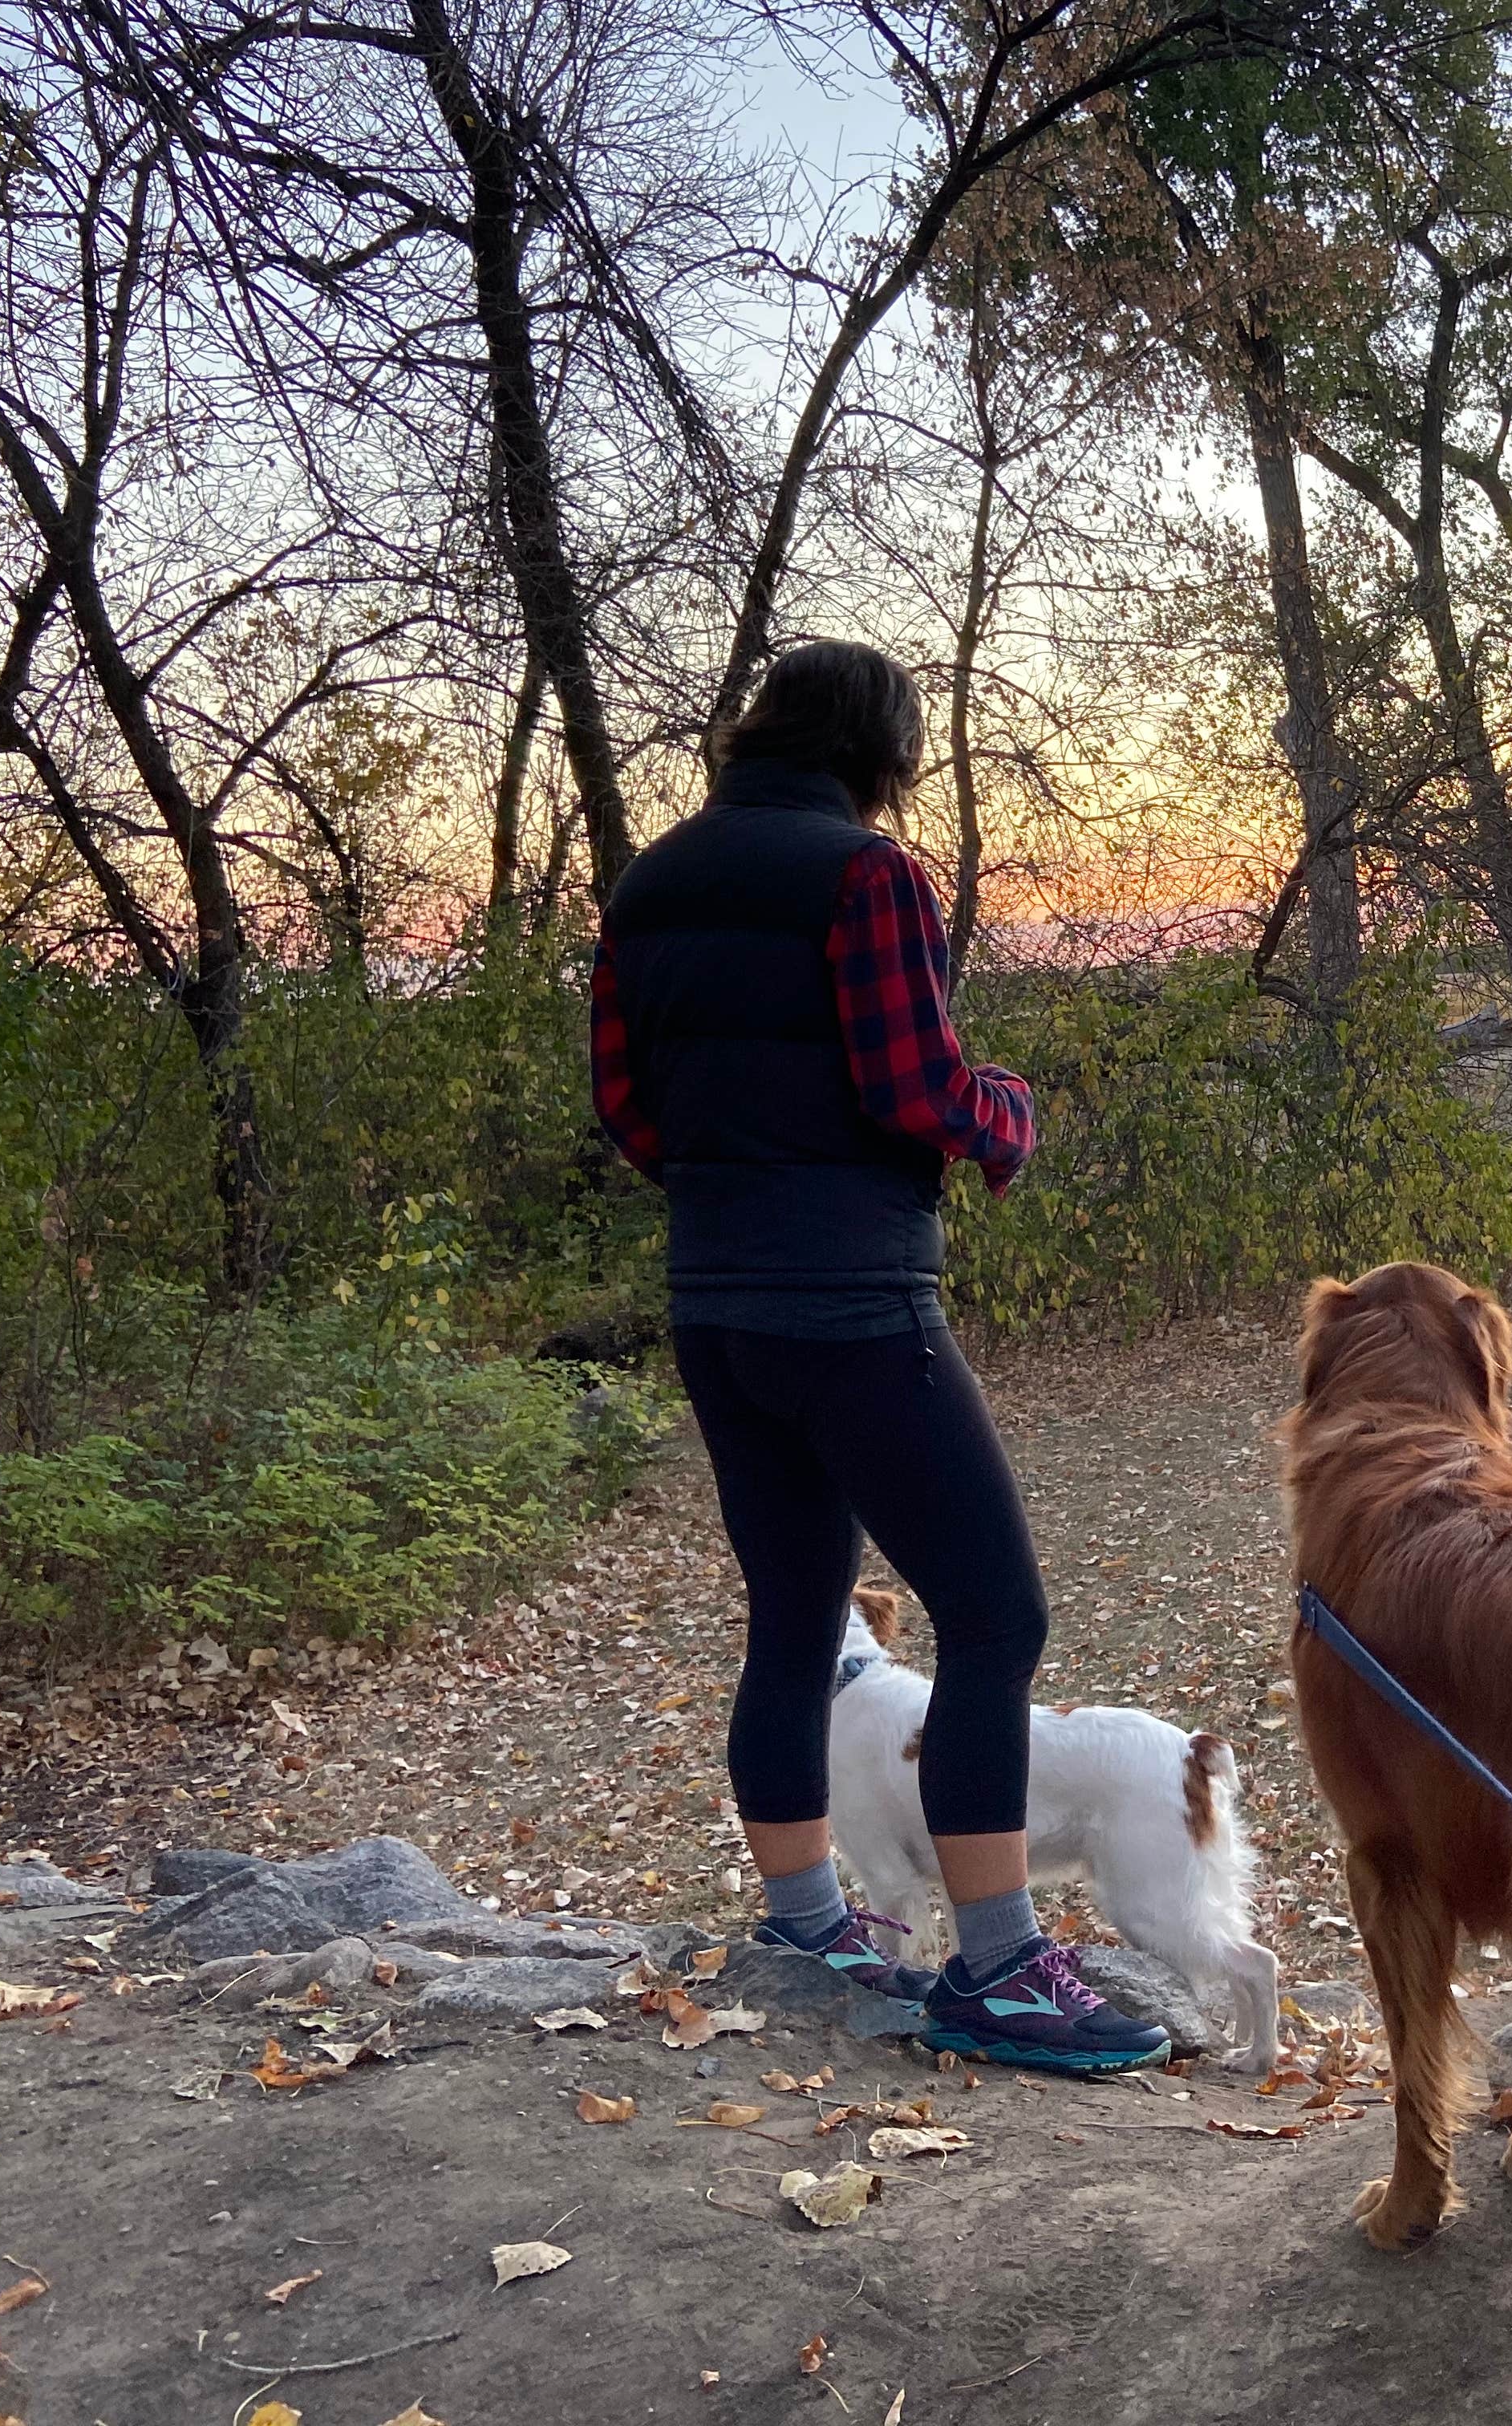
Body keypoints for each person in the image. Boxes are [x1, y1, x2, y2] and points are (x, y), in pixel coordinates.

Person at [589, 639, 1167, 2074]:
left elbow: (626, 1104)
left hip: (714, 1300)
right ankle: (998, 1974)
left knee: (794, 1610)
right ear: (882, 750)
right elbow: (915, 1084)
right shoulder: (868, 876)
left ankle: (803, 1921)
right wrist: (1007, 1117)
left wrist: (731, 1187)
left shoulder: (649, 882)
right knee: (993, 1618)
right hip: (851, 1299)